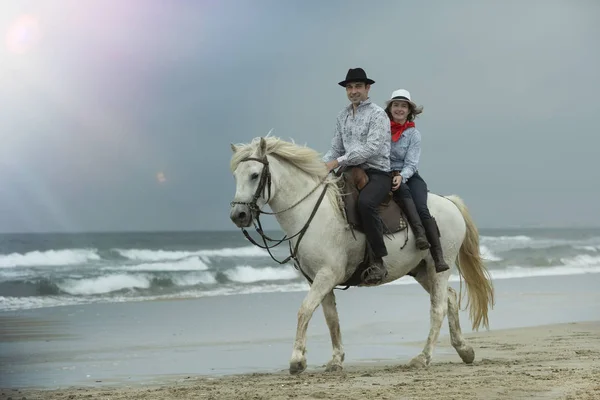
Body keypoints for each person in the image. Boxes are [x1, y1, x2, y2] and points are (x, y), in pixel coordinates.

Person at [323, 67, 392, 285]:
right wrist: (319, 167)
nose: (353, 91)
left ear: (367, 88)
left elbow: (370, 148)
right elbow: (335, 148)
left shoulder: (378, 114)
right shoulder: (342, 116)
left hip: (377, 171)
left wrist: (338, 162)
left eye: (358, 87)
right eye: (350, 87)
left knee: (365, 203)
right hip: (349, 172)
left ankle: (378, 260)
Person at [385, 89, 449, 273]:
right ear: (390, 108)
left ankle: (438, 256)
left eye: (403, 106)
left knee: (422, 207)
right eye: (396, 105)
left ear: (409, 110)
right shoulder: (381, 130)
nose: (399, 109)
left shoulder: (414, 135)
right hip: (386, 174)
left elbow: (412, 163)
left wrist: (401, 176)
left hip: (409, 175)